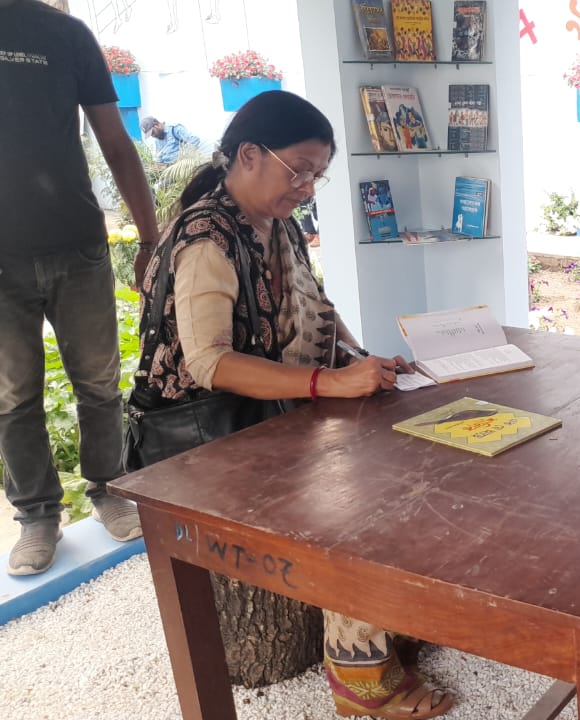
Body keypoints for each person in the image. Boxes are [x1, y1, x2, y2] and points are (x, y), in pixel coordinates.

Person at [129, 90, 453, 720]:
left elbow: (317, 309)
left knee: (402, 459)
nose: (306, 187)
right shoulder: (206, 237)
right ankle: (360, 681)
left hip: (261, 419)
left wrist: (364, 361)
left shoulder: (275, 223)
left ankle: (397, 624)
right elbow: (210, 364)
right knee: (345, 505)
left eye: (316, 176)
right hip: (201, 442)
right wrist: (330, 385)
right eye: (299, 170)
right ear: (249, 155)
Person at [0, 0, 160, 576]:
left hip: (77, 245)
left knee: (98, 383)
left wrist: (149, 239)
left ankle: (111, 489)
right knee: (13, 398)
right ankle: (38, 517)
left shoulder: (66, 34)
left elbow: (115, 141)